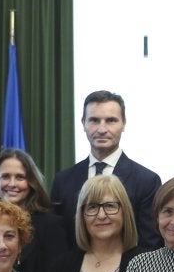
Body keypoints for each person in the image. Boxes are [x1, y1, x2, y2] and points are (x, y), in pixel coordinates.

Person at [51, 90, 162, 250]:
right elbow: (57, 241)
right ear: (83, 123)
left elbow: (150, 245)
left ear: (123, 123)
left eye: (111, 120)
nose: (102, 129)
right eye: (94, 120)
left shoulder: (147, 181)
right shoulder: (63, 180)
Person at [0, 148, 68, 272]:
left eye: (20, 177)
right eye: (5, 176)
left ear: (31, 182)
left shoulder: (51, 225)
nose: (12, 184)